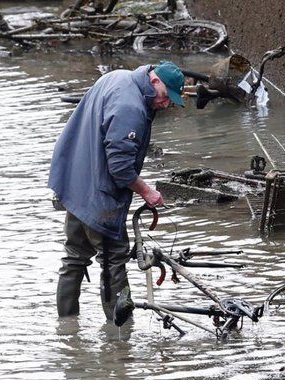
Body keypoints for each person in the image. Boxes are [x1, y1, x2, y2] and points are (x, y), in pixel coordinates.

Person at [48, 61, 185, 326]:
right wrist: (147, 192)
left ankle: (66, 325)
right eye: (167, 97)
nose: (166, 105)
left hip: (76, 184)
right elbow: (120, 168)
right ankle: (120, 334)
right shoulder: (131, 107)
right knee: (114, 260)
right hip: (98, 195)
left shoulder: (118, 78)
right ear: (155, 82)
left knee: (74, 257)